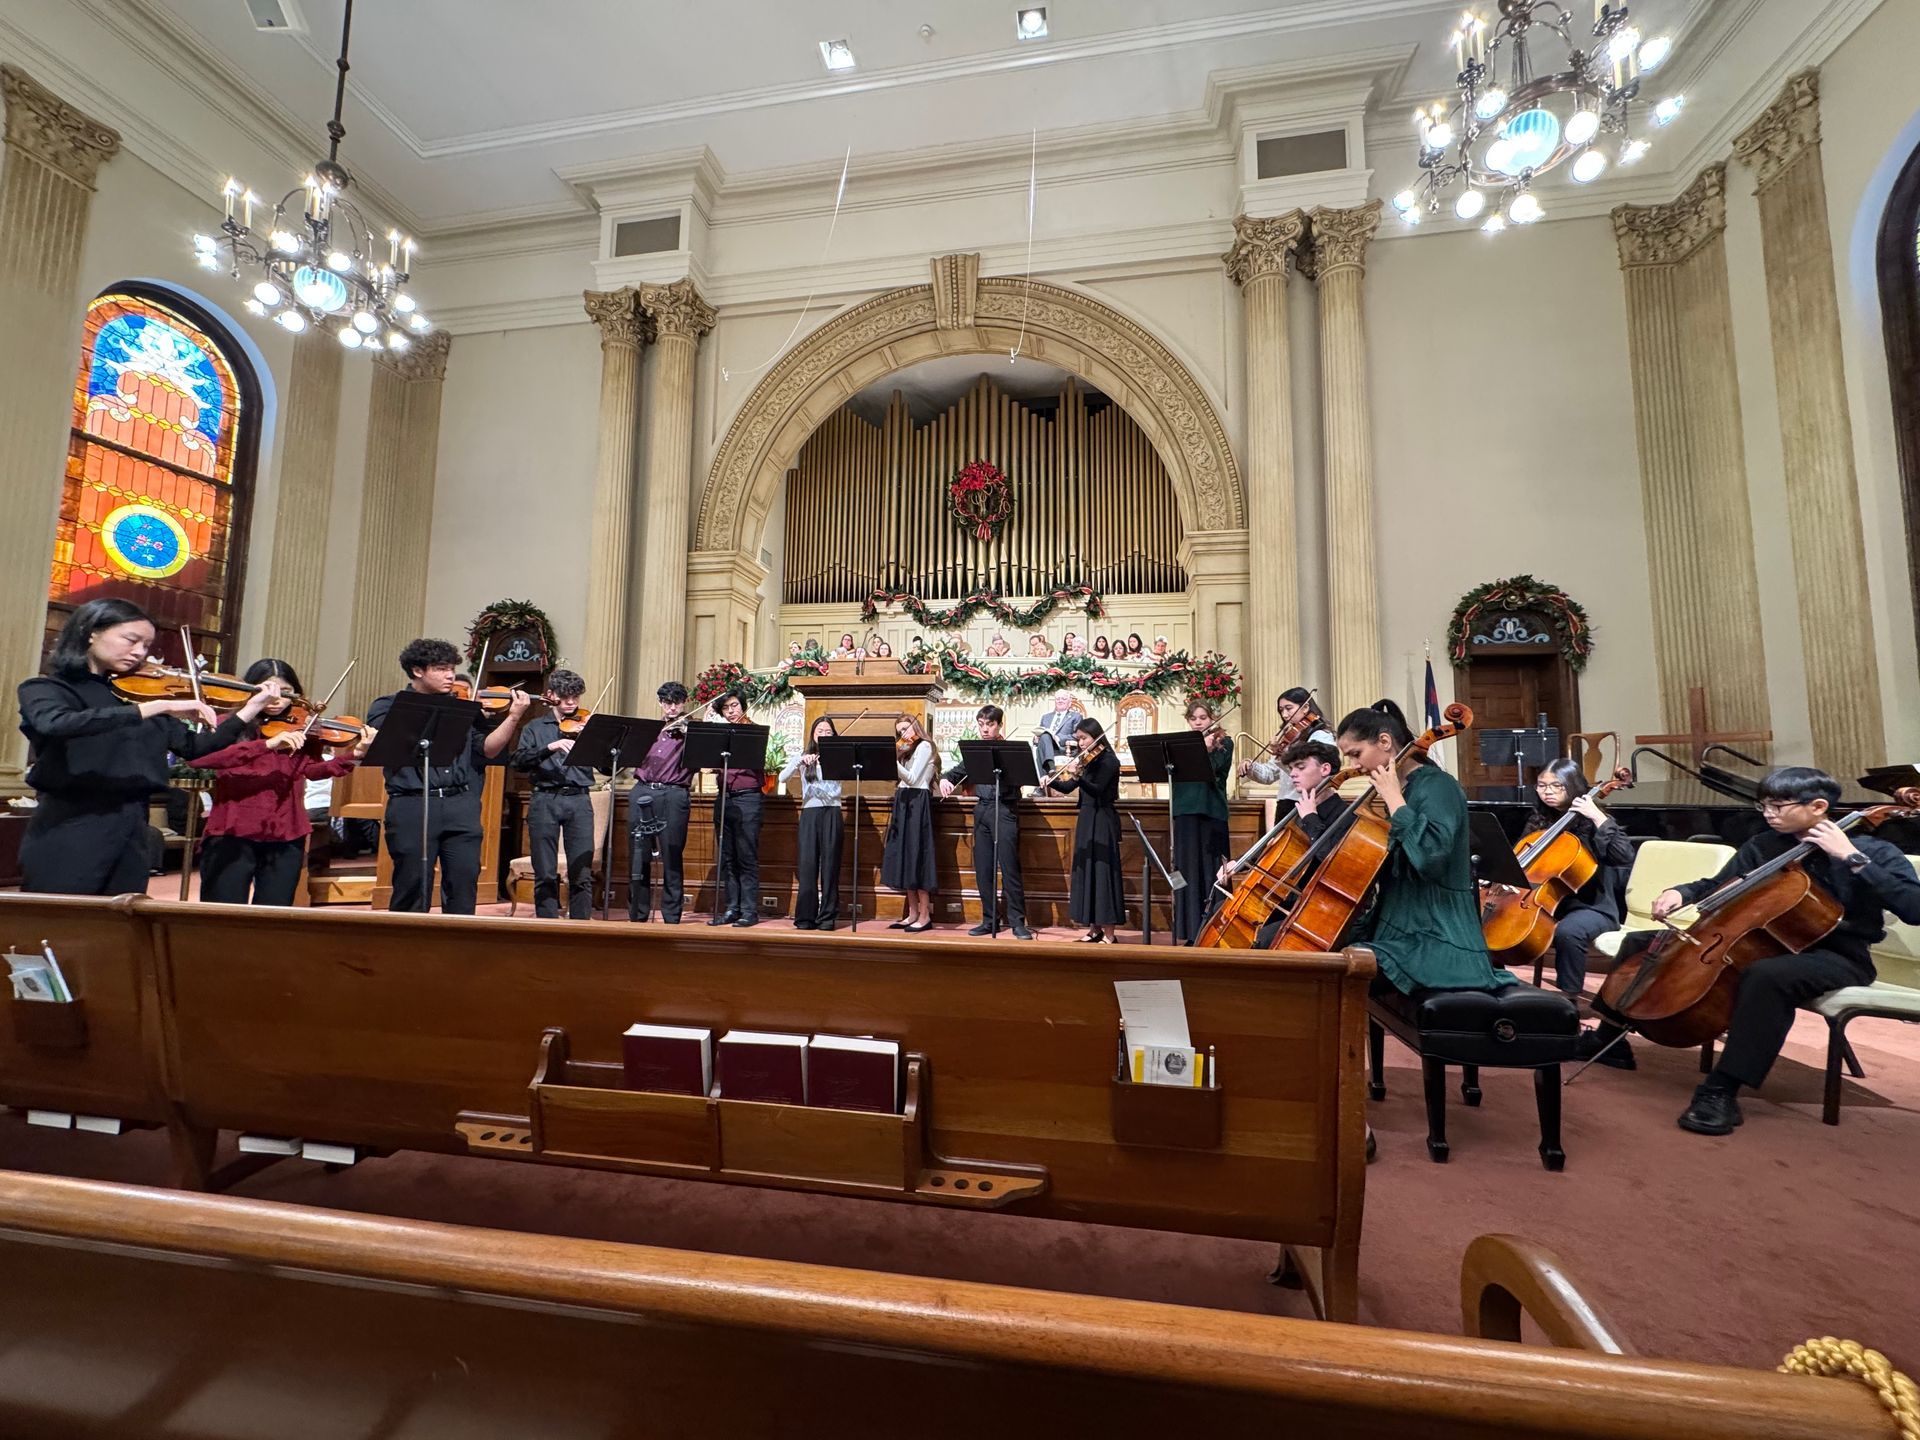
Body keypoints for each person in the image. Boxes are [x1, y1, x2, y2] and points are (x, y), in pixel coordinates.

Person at [1643, 767, 1920, 1137]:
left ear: (1818, 806)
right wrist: (1681, 892)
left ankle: (1721, 1089)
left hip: (1839, 956)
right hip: (1768, 943)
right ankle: (1606, 1036)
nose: (1768, 813)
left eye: (1777, 805)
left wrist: (1851, 857)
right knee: (1647, 944)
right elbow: (1717, 885)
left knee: (1768, 976)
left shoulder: (1873, 850)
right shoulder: (1765, 846)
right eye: (1764, 805)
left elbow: (1914, 909)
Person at [16, 599, 276, 895]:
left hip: (133, 826)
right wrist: (157, 707)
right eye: (131, 640)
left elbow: (198, 747)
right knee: (64, 924)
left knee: (122, 925)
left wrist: (250, 709)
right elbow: (57, 723)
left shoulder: (139, 697)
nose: (140, 652)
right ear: (90, 632)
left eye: (146, 645)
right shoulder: (47, 688)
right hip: (71, 824)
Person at [1335, 699, 1517, 994]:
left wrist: (1394, 799)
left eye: (1356, 754)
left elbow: (1431, 857)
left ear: (1384, 741)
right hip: (1400, 927)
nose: (1354, 766)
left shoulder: (1438, 786)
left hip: (1437, 939)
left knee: (1337, 974)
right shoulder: (1403, 790)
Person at [365, 638, 532, 915]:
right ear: (418, 670)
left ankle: (458, 952)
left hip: (460, 803)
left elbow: (488, 750)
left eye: (452, 668)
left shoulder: (464, 708)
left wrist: (513, 717)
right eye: (441, 669)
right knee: (412, 883)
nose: (451, 675)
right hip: (413, 804)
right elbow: (387, 745)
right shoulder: (388, 706)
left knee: (464, 884)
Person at [194, 658, 374, 906]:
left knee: (275, 914)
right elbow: (204, 759)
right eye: (267, 690)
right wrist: (266, 745)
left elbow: (311, 770)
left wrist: (353, 756)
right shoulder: (229, 726)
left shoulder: (302, 727)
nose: (277, 699)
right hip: (231, 830)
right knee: (222, 914)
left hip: (286, 831)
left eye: (286, 692)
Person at [1514, 758, 1634, 998]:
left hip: (1593, 907)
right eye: (1541, 785)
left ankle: (1568, 998)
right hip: (1547, 902)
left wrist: (1597, 816)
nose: (1547, 792)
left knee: (1569, 931)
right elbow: (1521, 860)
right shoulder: (1539, 820)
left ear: (1573, 785)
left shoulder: (1592, 821)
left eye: (1556, 786)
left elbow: (1624, 856)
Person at [939, 704, 1032, 939]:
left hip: (1005, 809)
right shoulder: (976, 752)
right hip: (983, 810)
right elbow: (956, 772)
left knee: (1010, 868)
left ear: (1000, 725)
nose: (984, 730)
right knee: (983, 870)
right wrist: (945, 780)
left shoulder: (1011, 750)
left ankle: (1017, 922)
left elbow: (1024, 776)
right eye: (981, 725)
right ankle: (989, 920)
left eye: (989, 725)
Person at [511, 668, 598, 920]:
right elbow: (518, 761)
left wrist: (598, 741)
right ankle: (547, 925)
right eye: (565, 696)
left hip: (579, 799)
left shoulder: (587, 725)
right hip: (544, 798)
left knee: (581, 871)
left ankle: (581, 927)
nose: (571, 702)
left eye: (576, 697)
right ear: (551, 695)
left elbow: (605, 766)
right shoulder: (535, 727)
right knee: (545, 871)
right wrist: (550, 747)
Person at [1045, 717, 1123, 942]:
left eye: (1083, 738)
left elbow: (1098, 790)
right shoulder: (1088, 761)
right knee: (1088, 872)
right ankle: (1094, 929)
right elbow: (1070, 787)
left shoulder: (1109, 760)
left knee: (1102, 874)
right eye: (1078, 739)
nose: (1080, 743)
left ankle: (1109, 933)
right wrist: (1050, 781)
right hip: (1088, 818)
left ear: (1095, 736)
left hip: (1103, 819)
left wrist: (1078, 775)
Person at [629, 681, 693, 924]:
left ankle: (672, 917)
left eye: (677, 702)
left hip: (674, 794)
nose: (672, 708)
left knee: (672, 855)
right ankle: (638, 914)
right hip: (642, 790)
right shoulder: (649, 730)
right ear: (660, 703)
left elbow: (703, 761)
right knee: (639, 855)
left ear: (684, 703)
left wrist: (690, 735)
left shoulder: (691, 731)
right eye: (667, 703)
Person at [1172, 700, 1233, 944]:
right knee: (1187, 871)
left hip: (1211, 812)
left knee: (1210, 872)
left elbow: (1217, 772)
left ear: (1212, 718)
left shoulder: (1223, 742)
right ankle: (1190, 931)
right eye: (1193, 718)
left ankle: (1213, 930)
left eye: (1203, 717)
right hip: (1185, 811)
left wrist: (1206, 750)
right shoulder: (1182, 744)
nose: (1198, 722)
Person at [706, 691, 766, 927]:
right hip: (724, 798)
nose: (731, 711)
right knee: (728, 858)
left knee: (747, 856)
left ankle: (750, 911)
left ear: (743, 707)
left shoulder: (754, 731)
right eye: (726, 709)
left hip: (748, 799)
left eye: (734, 706)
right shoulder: (720, 736)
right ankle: (732, 908)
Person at [780, 715, 844, 930]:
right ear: (813, 735)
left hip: (832, 813)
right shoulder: (804, 757)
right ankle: (805, 917)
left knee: (830, 866)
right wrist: (801, 760)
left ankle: (827, 917)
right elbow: (782, 777)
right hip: (809, 814)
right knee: (807, 866)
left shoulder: (837, 757)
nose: (824, 734)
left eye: (828, 731)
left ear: (833, 735)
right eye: (820, 731)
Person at [882, 715, 938, 932]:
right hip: (904, 801)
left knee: (917, 857)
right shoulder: (907, 750)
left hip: (917, 802)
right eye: (899, 731)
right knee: (905, 857)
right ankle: (912, 912)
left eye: (906, 729)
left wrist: (893, 762)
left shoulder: (924, 746)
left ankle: (924, 915)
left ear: (915, 726)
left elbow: (913, 779)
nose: (903, 734)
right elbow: (899, 778)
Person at [1033, 690, 1082, 771]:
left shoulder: (1076, 717)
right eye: (1058, 699)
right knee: (1044, 737)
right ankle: (1048, 770)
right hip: (1045, 746)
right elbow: (1040, 731)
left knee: (1045, 737)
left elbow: (1077, 735)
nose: (1060, 700)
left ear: (1069, 703)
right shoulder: (1046, 717)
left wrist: (1059, 738)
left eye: (1063, 698)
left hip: (1062, 747)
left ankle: (1050, 767)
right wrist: (1036, 739)